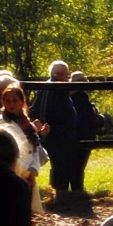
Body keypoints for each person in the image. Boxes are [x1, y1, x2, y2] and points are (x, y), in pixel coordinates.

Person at [30, 60, 89, 209]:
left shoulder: (45, 88)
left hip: (54, 131)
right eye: (65, 74)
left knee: (61, 164)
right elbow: (60, 114)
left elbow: (36, 109)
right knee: (61, 163)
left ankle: (60, 194)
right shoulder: (56, 89)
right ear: (58, 75)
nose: (68, 77)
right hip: (57, 133)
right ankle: (61, 196)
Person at [0, 81, 47, 211]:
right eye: (7, 101)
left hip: (27, 171)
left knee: (26, 206)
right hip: (9, 170)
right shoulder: (0, 122)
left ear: (22, 101)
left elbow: (35, 148)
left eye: (15, 100)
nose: (11, 104)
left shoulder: (27, 124)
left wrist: (34, 168)